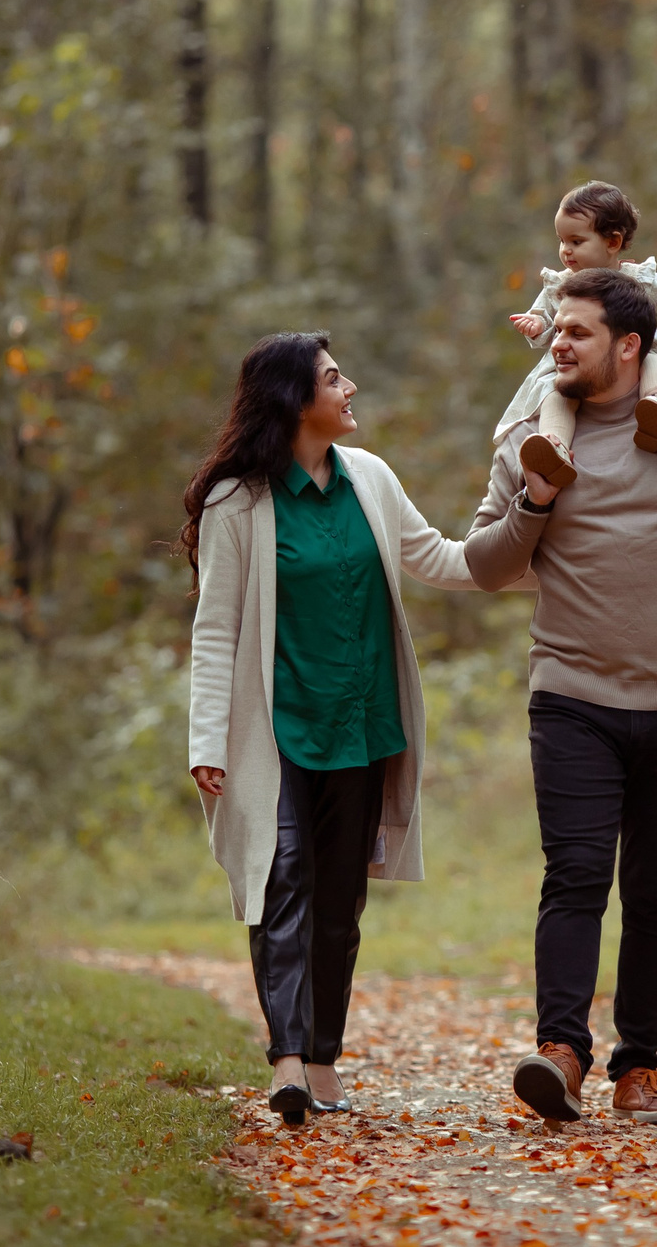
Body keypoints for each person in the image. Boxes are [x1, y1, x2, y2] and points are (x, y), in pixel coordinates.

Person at [465, 270, 657, 1123]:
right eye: (556, 328)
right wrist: (536, 499)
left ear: (630, 345)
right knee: (574, 876)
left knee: (655, 891)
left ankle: (640, 1068)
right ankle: (560, 1052)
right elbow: (487, 566)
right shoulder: (535, 437)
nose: (557, 343)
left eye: (578, 332)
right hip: (571, 694)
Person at [183, 332, 481, 1128]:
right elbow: (215, 629)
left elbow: (443, 558)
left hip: (362, 723)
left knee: (340, 901)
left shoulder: (372, 479)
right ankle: (285, 1058)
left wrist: (540, 539)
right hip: (274, 730)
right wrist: (206, 739)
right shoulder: (236, 502)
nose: (350, 387)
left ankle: (321, 1058)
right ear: (293, 398)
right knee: (283, 879)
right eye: (333, 377)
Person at [500, 180, 657, 490]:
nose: (565, 251)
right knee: (554, 392)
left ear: (612, 241)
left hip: (632, 356)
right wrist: (536, 325)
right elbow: (545, 320)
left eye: (576, 241)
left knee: (653, 362)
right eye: (561, 241)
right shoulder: (560, 284)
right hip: (574, 366)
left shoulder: (636, 279)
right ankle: (554, 446)